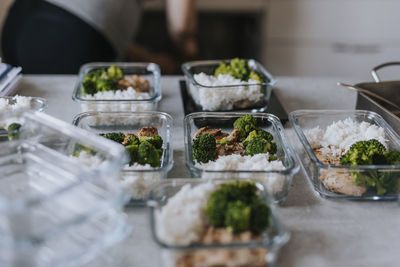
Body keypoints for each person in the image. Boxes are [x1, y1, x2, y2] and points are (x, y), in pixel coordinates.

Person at [1, 0, 197, 74]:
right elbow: (181, 26)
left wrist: (150, 59)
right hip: (70, 36)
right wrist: (186, 52)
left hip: (18, 22)